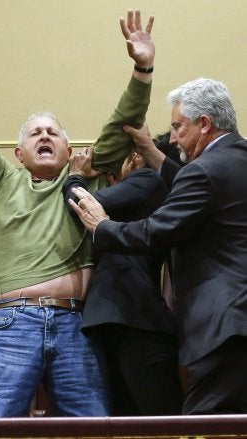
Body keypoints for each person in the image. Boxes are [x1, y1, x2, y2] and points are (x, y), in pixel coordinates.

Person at [0, 10, 155, 417]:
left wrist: (142, 68)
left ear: (67, 148)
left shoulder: (86, 180)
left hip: (78, 326)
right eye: (34, 133)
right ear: (18, 154)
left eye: (54, 132)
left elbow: (122, 123)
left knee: (93, 430)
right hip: (11, 325)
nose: (45, 135)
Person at [69, 77, 247, 415]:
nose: (175, 137)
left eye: (179, 127)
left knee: (203, 428)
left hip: (226, 326)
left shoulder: (205, 171)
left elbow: (156, 232)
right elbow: (198, 190)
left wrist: (103, 227)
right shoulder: (236, 159)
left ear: (204, 124)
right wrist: (151, 152)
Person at [63, 143, 183, 416]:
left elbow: (78, 203)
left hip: (136, 317)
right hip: (126, 317)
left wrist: (75, 176)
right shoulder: (147, 192)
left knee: (161, 421)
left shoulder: (147, 178)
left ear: (136, 157)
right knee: (129, 421)